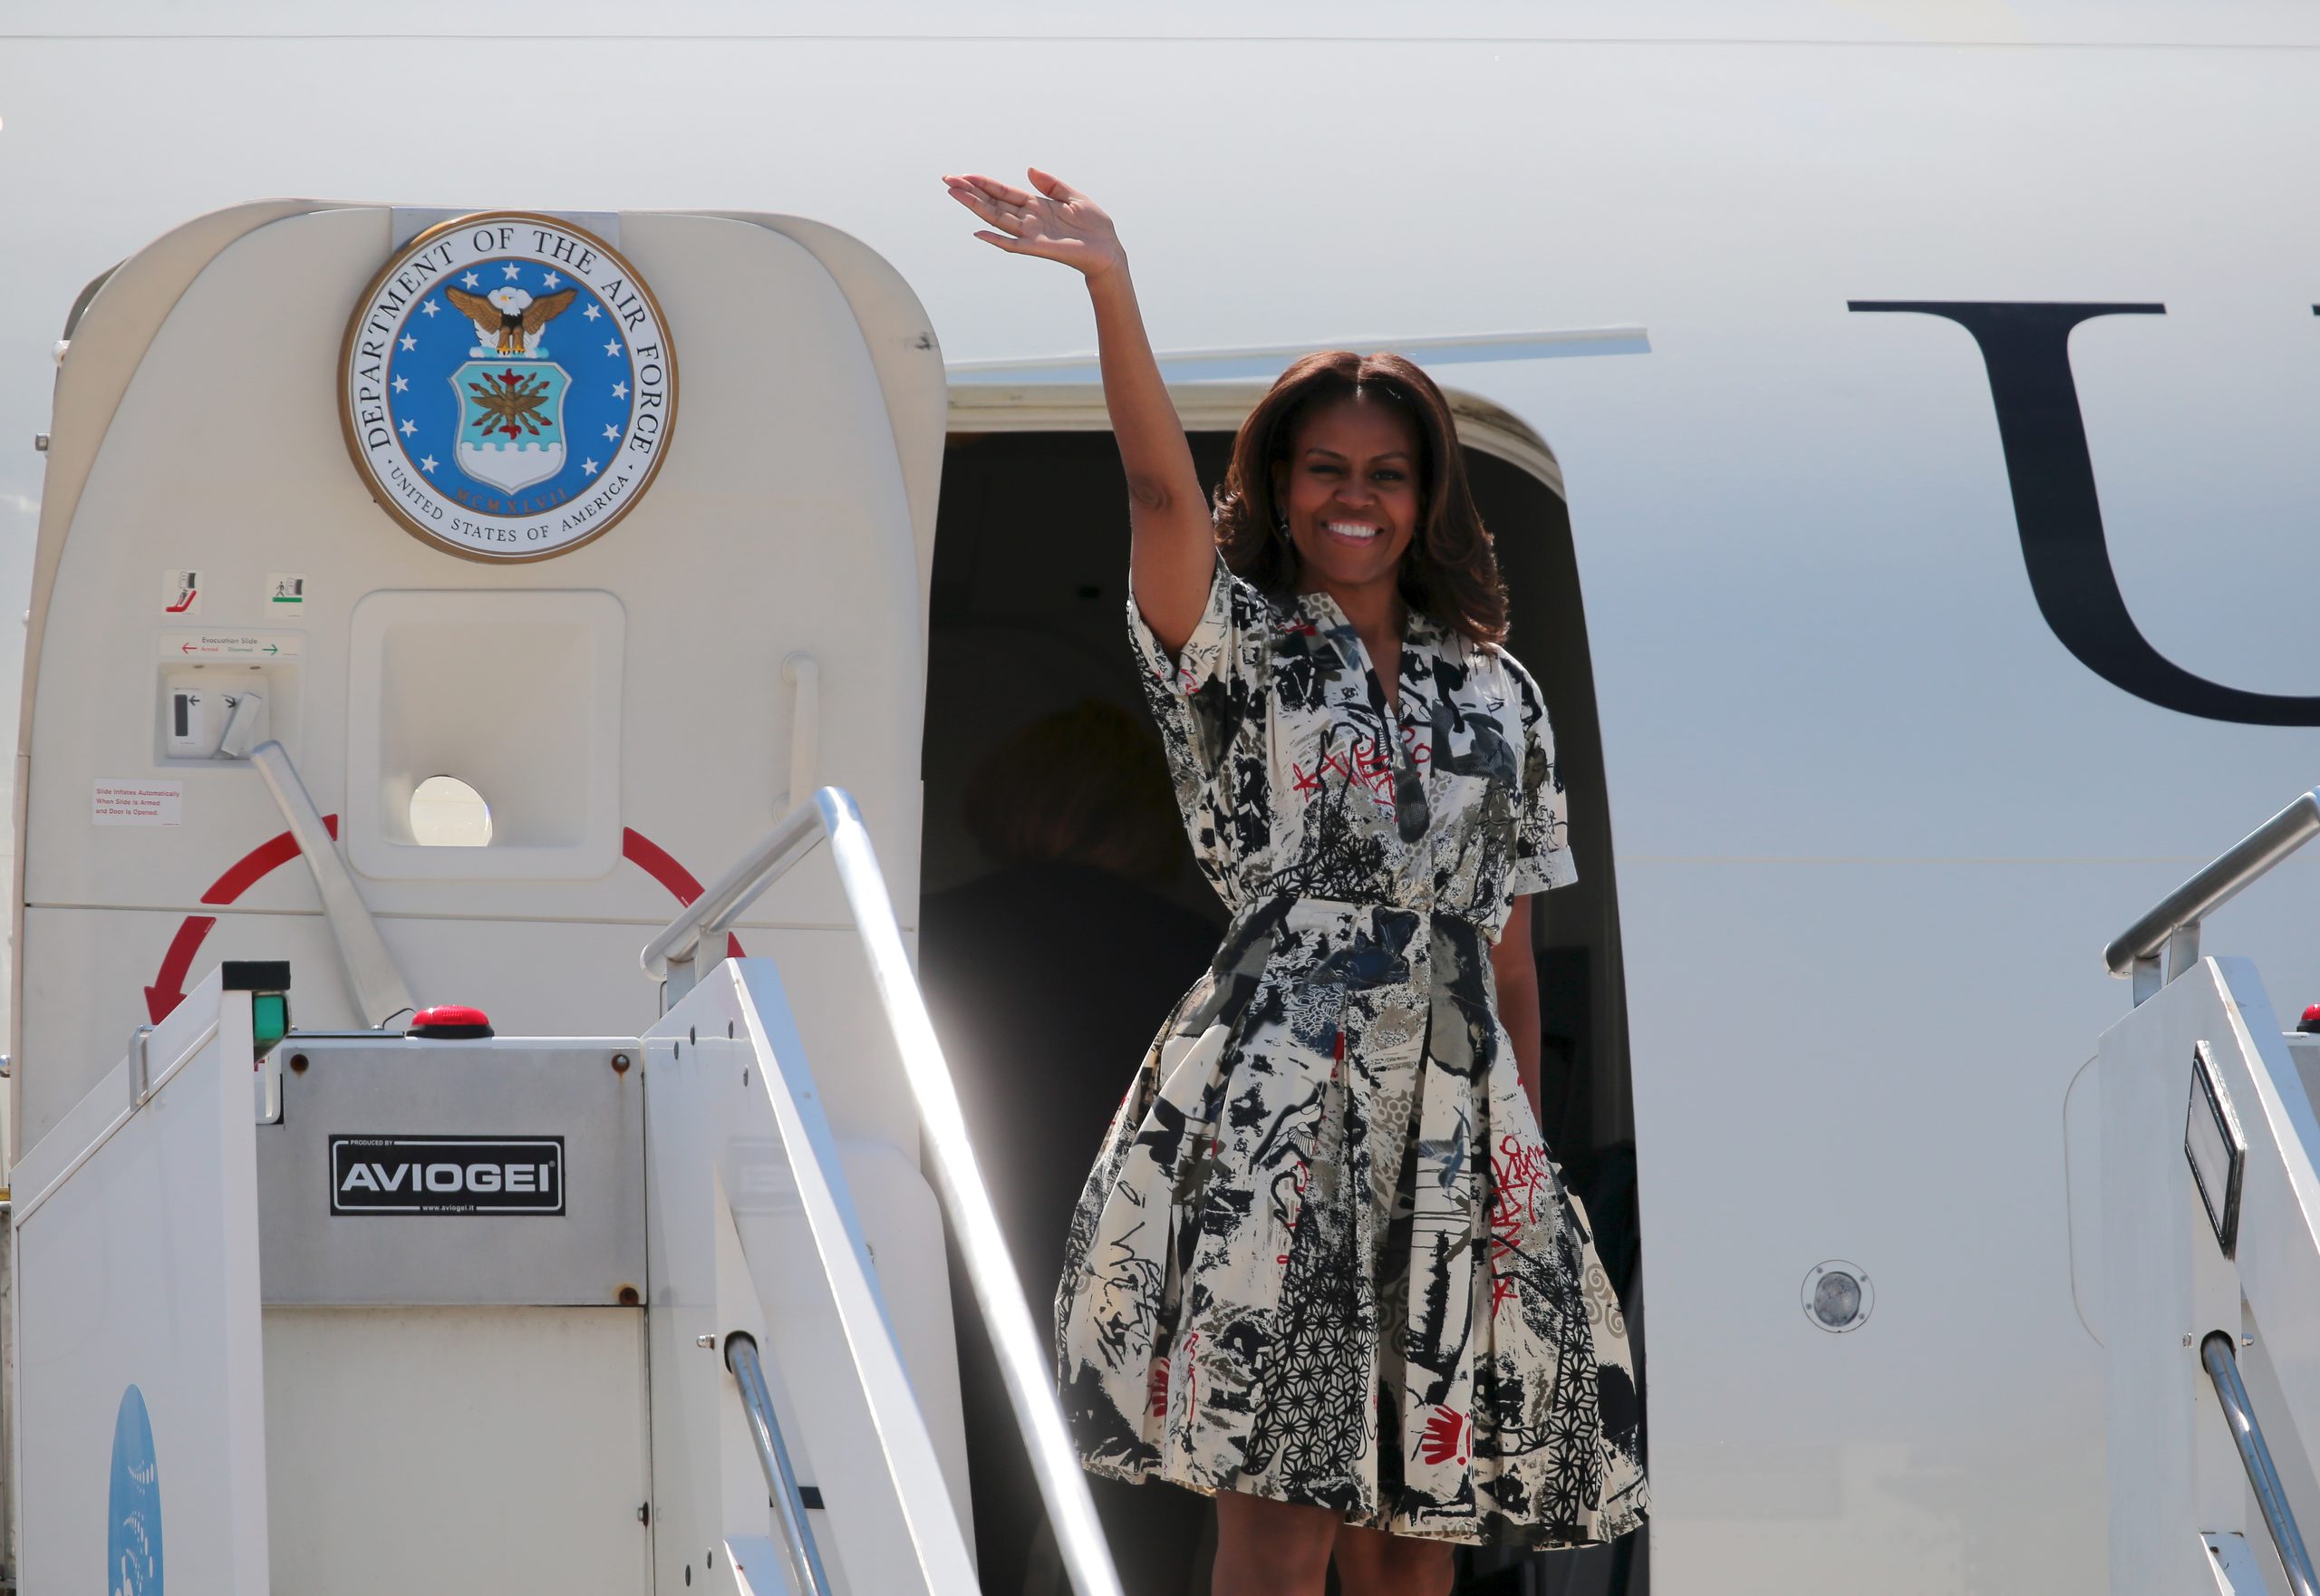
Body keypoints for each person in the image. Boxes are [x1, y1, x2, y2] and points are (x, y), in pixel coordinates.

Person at [942, 168, 1648, 1596]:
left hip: (1456, 1139)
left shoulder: (1500, 695)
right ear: (1278, 482)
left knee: (1418, 1533)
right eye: (1325, 468)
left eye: (1387, 472)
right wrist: (1109, 286)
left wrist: (1518, 1184)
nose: (1356, 498)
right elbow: (1150, 479)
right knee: (1277, 1524)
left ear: (1427, 495)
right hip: (1274, 1115)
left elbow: (1511, 960)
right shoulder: (1243, 650)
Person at [920, 701, 1220, 1596]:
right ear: (1149, 817)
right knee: (1140, 1568)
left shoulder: (922, 940)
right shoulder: (1206, 959)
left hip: (969, 1289)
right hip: (1148, 1302)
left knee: (968, 1554)